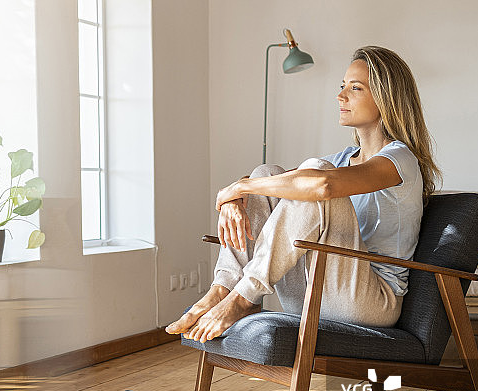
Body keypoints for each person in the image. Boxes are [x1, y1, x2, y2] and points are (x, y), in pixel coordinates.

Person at [166, 46, 441, 343]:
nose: (341, 96)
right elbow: (274, 183)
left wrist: (239, 188)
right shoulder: (344, 159)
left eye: (355, 88)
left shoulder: (400, 159)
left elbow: (321, 185)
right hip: (317, 289)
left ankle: (243, 298)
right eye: (342, 86)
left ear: (386, 98)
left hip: (372, 303)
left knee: (313, 175)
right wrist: (236, 195)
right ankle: (223, 288)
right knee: (266, 173)